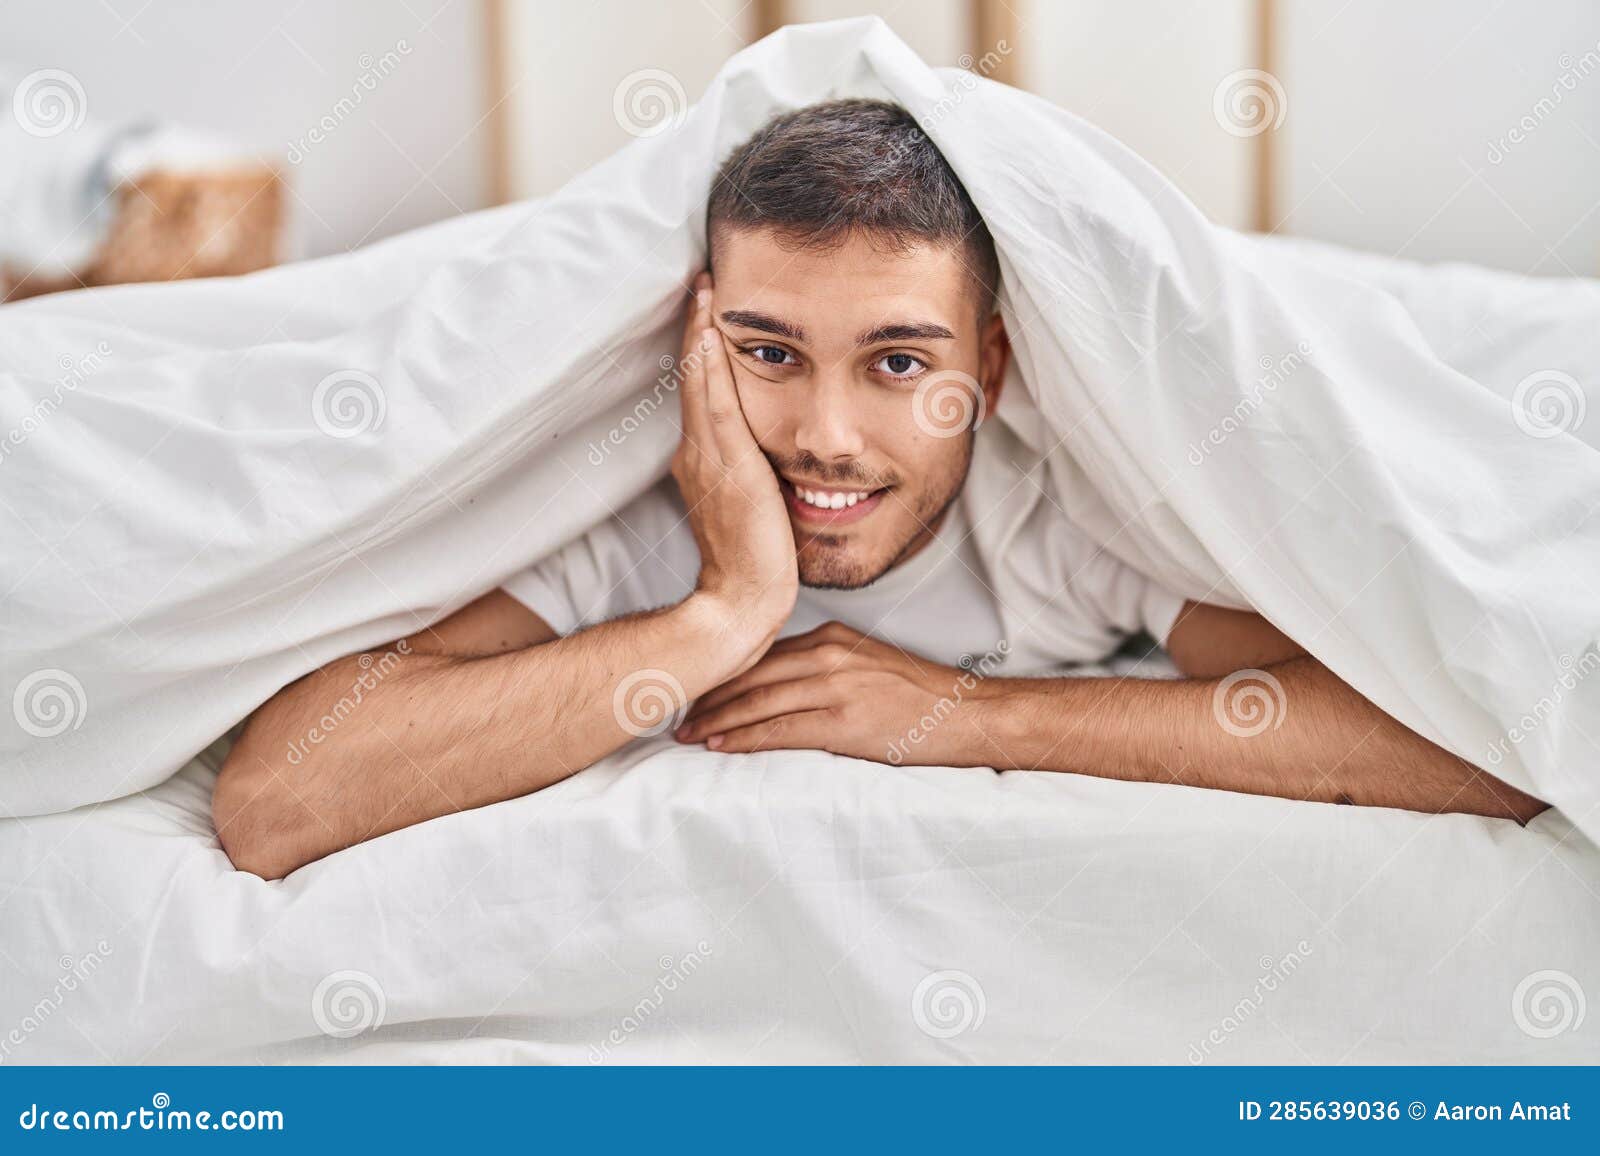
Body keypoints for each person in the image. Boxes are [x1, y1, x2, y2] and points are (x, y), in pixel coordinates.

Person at [214, 100, 1544, 880]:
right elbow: (279, 803)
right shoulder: (642, 511)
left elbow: (1470, 746)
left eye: (898, 361)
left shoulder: (1062, 515)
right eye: (770, 353)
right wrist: (720, 614)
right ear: (697, 338)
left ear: (995, 364)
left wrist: (966, 716)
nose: (826, 437)